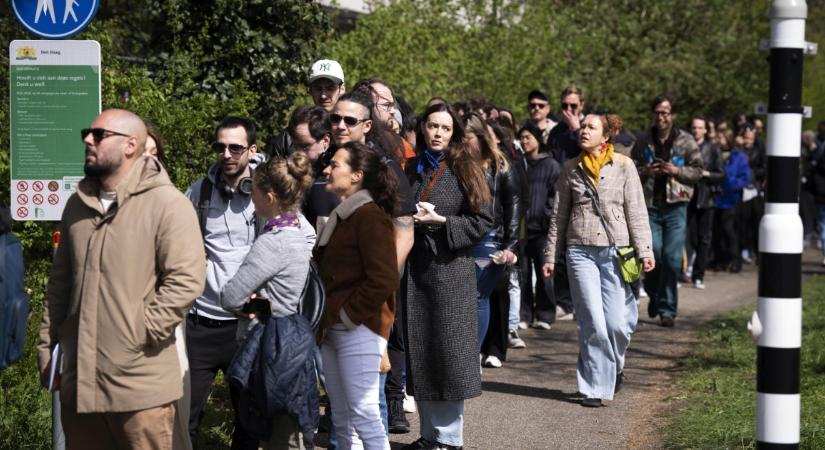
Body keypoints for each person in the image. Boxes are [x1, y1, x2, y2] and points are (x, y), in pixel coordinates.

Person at [37, 109, 206, 448]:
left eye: (98, 135)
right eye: (88, 132)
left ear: (131, 145)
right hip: (80, 387)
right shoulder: (76, 206)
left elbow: (186, 280)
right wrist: (47, 345)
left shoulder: (167, 204)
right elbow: (60, 285)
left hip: (140, 391)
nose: (87, 139)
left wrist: (138, 334)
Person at [543, 113, 654, 407]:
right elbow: (559, 215)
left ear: (605, 136)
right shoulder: (570, 168)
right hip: (580, 251)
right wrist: (551, 255)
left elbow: (637, 211)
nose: (584, 131)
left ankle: (614, 367)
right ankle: (593, 386)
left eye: (591, 127)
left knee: (617, 323)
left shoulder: (624, 166)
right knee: (592, 320)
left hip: (615, 251)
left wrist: (645, 250)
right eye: (583, 127)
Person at [402, 103, 493, 450]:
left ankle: (450, 439)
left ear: (453, 132)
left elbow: (484, 220)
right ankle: (428, 435)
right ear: (423, 128)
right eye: (432, 126)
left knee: (450, 355)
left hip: (451, 271)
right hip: (416, 272)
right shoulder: (410, 168)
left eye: (445, 127)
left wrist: (442, 222)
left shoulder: (465, 168)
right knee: (422, 353)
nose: (437, 133)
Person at [330, 89, 418, 435]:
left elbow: (405, 232)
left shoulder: (385, 171)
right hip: (328, 300)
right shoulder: (326, 167)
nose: (339, 125)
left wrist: (379, 289)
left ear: (367, 125)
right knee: (339, 411)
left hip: (367, 302)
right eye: (335, 119)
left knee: (368, 406)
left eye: (349, 120)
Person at [220, 152, 317, 449]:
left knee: (282, 436)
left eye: (255, 190)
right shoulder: (300, 229)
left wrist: (257, 305)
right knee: (290, 428)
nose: (251, 197)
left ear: (270, 197)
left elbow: (230, 296)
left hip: (272, 346)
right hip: (294, 339)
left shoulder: (273, 242)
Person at [185, 116, 265, 449]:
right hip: (200, 325)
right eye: (221, 147)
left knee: (250, 419)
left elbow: (296, 241)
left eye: (235, 147)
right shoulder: (199, 192)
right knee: (183, 419)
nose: (227, 154)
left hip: (246, 327)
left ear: (251, 150)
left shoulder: (267, 192)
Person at [315, 141, 401, 450]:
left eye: (335, 164)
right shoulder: (345, 214)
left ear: (356, 176)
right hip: (334, 328)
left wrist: (348, 315)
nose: (327, 169)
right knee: (342, 419)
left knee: (365, 415)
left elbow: (385, 277)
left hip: (359, 328)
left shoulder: (369, 216)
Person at [631, 95, 702, 327]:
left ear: (672, 116)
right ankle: (656, 295)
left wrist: (676, 170)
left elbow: (698, 171)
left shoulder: (686, 140)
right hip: (650, 206)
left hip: (676, 206)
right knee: (653, 257)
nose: (661, 117)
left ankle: (668, 310)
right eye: (658, 112)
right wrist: (646, 172)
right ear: (653, 114)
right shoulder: (642, 141)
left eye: (665, 112)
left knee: (672, 259)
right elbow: (630, 170)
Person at [463, 114, 522, 369]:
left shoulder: (500, 165)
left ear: (479, 137)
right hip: (462, 236)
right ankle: (467, 351)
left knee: (479, 296)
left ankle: (474, 354)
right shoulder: (457, 165)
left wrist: (509, 245)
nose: (462, 143)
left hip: (491, 238)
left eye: (466, 138)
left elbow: (513, 205)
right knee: (464, 298)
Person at [518, 122, 564, 330]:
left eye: (528, 137)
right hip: (522, 229)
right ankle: (525, 314)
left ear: (538, 139)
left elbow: (556, 196)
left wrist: (547, 215)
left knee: (545, 273)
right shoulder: (519, 164)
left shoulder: (551, 165)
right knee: (524, 274)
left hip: (543, 229)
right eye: (522, 138)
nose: (524, 141)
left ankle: (545, 313)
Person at [269, 59, 346, 158]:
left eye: (330, 88)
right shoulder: (287, 138)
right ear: (310, 90)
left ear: (342, 88)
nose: (323, 95)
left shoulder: (350, 132)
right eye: (318, 89)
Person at [686, 115, 725, 289]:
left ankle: (698, 275)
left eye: (700, 127)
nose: (697, 130)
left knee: (704, 239)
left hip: (706, 198)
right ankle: (684, 271)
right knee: (688, 238)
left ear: (705, 130)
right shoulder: (685, 146)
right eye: (694, 127)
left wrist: (707, 174)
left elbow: (721, 174)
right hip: (686, 197)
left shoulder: (713, 148)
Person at [711, 129, 751, 273]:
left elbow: (745, 177)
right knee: (717, 231)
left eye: (720, 137)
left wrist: (731, 185)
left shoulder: (739, 157)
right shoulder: (715, 154)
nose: (718, 140)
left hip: (731, 199)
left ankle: (735, 260)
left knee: (730, 230)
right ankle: (720, 260)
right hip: (716, 198)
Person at [547, 85, 586, 164]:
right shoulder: (556, 130)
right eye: (565, 106)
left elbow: (591, 151)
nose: (568, 109)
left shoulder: (590, 126)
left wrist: (577, 130)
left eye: (573, 106)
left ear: (581, 105)